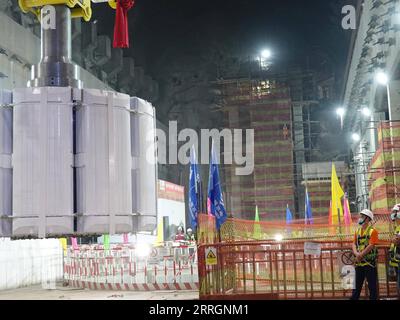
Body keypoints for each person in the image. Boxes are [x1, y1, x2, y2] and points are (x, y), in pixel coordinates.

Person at [350, 209, 379, 300]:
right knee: (356, 286)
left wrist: (360, 254)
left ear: (367, 219)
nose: (360, 218)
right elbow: (354, 244)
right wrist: (356, 253)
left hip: (369, 263)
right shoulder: (357, 231)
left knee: (372, 286)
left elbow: (371, 245)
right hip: (359, 263)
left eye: (362, 216)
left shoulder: (373, 231)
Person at [389, 204, 400, 298]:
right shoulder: (397, 227)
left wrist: (395, 240)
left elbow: (396, 241)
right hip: (396, 259)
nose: (393, 214)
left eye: (395, 212)